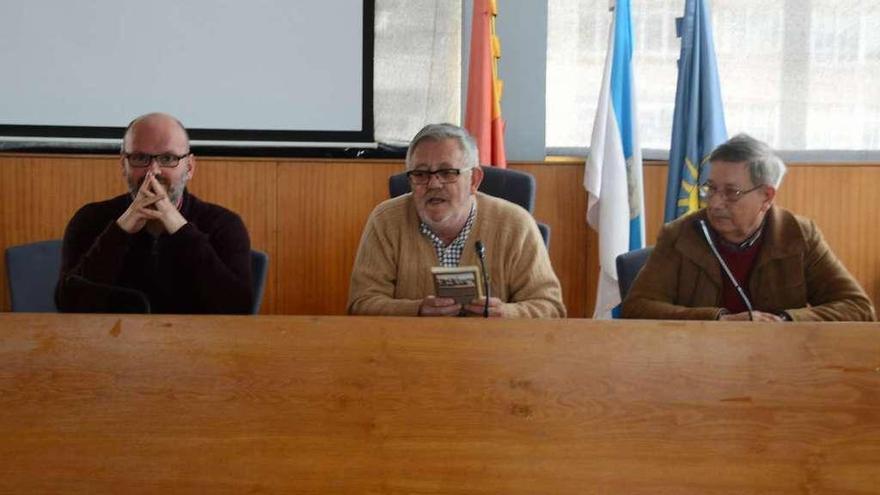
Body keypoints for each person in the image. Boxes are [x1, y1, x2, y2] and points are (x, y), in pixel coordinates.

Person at [622, 134, 875, 321]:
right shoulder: (680, 234)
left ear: (766, 197)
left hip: (776, 365)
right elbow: (637, 308)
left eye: (731, 192)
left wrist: (785, 320)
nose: (715, 202)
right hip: (697, 361)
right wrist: (718, 320)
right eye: (711, 189)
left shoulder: (798, 234)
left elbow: (858, 308)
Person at [347, 123, 565, 317]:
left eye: (447, 172)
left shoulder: (516, 224)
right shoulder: (386, 221)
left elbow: (551, 308)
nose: (433, 184)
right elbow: (361, 303)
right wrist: (417, 309)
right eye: (421, 174)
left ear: (474, 180)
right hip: (412, 351)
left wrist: (507, 313)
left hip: (493, 352)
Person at [56, 112, 253, 313]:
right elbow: (68, 304)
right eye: (140, 158)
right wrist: (120, 231)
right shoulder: (90, 219)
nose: (153, 171)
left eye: (168, 158)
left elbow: (238, 309)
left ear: (190, 167)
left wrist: (179, 228)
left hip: (195, 343)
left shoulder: (224, 225)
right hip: (112, 341)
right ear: (123, 165)